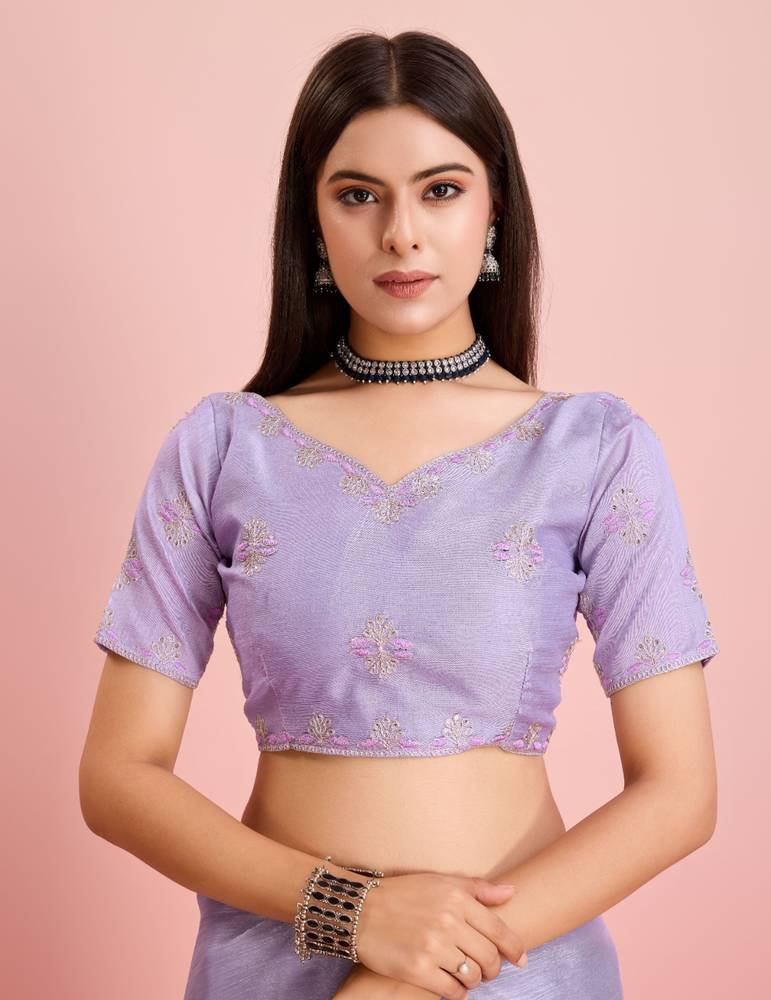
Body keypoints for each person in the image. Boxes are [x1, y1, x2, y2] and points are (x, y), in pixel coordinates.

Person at [78, 29, 721, 1000]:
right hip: (274, 960)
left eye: (440, 189)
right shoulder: (223, 448)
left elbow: (678, 794)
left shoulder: (593, 450)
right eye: (357, 195)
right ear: (311, 220)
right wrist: (354, 912)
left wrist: (427, 971)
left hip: (516, 965)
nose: (401, 234)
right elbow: (118, 776)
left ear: (494, 205)